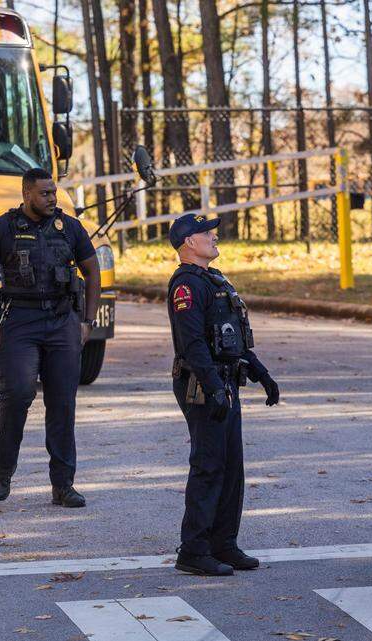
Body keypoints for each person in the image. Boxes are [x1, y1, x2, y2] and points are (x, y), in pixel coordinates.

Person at [0, 167, 101, 508]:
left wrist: (87, 321)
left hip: (61, 321)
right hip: (20, 320)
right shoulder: (2, 228)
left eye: (54, 192)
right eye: (44, 193)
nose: (52, 198)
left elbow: (92, 272)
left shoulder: (70, 227)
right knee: (18, 394)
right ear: (26, 193)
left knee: (62, 403)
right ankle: (4, 469)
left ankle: (63, 485)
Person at [166, 214, 280, 576]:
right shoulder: (186, 285)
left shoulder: (214, 280)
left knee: (231, 467)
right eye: (206, 233)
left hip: (225, 382)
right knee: (209, 464)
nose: (214, 236)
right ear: (188, 243)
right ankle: (194, 550)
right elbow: (193, 343)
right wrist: (213, 387)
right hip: (202, 385)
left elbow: (231, 338)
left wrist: (261, 372)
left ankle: (224, 544)